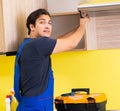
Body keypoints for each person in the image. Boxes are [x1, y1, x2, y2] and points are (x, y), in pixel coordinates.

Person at [14, 8, 89, 111]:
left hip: (31, 105)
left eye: (49, 23)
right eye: (42, 22)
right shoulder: (38, 44)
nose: (47, 26)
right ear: (32, 27)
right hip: (37, 107)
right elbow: (72, 43)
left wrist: (79, 27)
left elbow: (60, 40)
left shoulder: (29, 44)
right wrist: (83, 26)